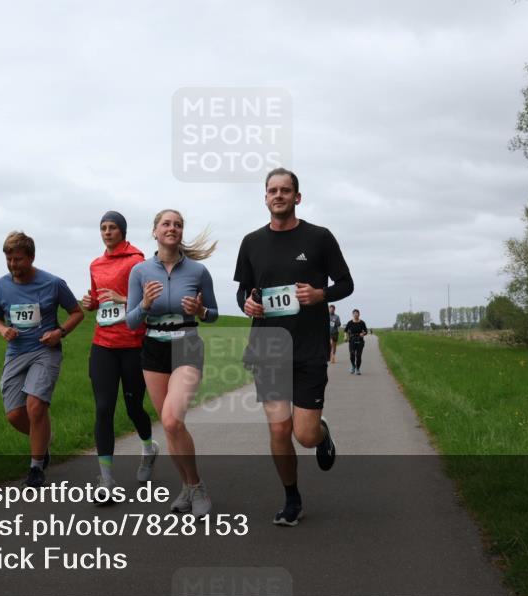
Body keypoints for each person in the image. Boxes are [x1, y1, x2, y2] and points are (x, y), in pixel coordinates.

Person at [234, 168, 353, 526]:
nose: (279, 195)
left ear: (297, 197)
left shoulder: (319, 238)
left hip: (308, 348)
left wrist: (320, 294)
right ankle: (292, 498)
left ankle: (321, 434)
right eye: (272, 190)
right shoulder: (251, 242)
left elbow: (345, 283)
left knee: (304, 434)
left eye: (285, 190)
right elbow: (243, 290)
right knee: (278, 430)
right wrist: (246, 304)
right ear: (265, 198)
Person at [126, 209, 219, 517]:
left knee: (170, 420)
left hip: (186, 344)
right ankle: (187, 487)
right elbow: (130, 321)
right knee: (171, 427)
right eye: (166, 224)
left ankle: (197, 487)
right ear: (155, 231)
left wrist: (201, 310)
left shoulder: (198, 271)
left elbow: (213, 314)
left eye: (178, 224)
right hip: (153, 347)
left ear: (181, 232)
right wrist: (145, 304)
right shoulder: (139, 271)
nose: (172, 228)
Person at [0, 231, 84, 488]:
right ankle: (43, 442)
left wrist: (59, 332)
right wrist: (3, 330)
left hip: (45, 350)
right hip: (16, 352)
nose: (13, 265)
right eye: (9, 259)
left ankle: (36, 468)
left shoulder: (53, 283)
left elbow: (77, 313)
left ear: (31, 257)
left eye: (18, 259)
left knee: (35, 406)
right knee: (14, 415)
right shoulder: (0, 286)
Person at [80, 212, 159, 501]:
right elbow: (98, 298)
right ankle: (106, 480)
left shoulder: (137, 262)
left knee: (133, 407)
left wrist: (123, 299)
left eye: (112, 227)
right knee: (103, 408)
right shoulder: (95, 264)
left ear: (122, 231)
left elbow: (150, 301)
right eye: (103, 227)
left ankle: (148, 447)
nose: (107, 232)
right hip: (103, 344)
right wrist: (91, 302)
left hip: (133, 343)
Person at [345, 309, 367, 375]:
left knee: (358, 355)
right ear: (352, 314)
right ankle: (353, 366)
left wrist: (363, 334)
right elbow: (345, 330)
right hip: (352, 340)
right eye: (354, 313)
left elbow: (366, 331)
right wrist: (345, 337)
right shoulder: (350, 322)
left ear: (359, 314)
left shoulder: (362, 322)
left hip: (360, 340)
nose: (355, 314)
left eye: (357, 313)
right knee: (352, 355)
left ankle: (358, 369)